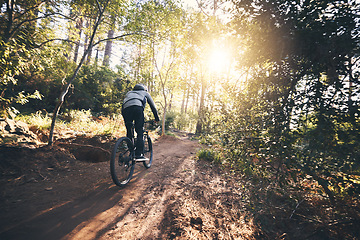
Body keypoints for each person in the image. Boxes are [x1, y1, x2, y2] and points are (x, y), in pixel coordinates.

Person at [122, 83, 160, 159]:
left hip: (125, 110)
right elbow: (152, 106)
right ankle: (138, 154)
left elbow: (124, 103)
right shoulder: (145, 93)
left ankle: (130, 149)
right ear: (144, 89)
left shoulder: (129, 93)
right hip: (137, 108)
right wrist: (157, 119)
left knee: (129, 129)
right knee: (139, 131)